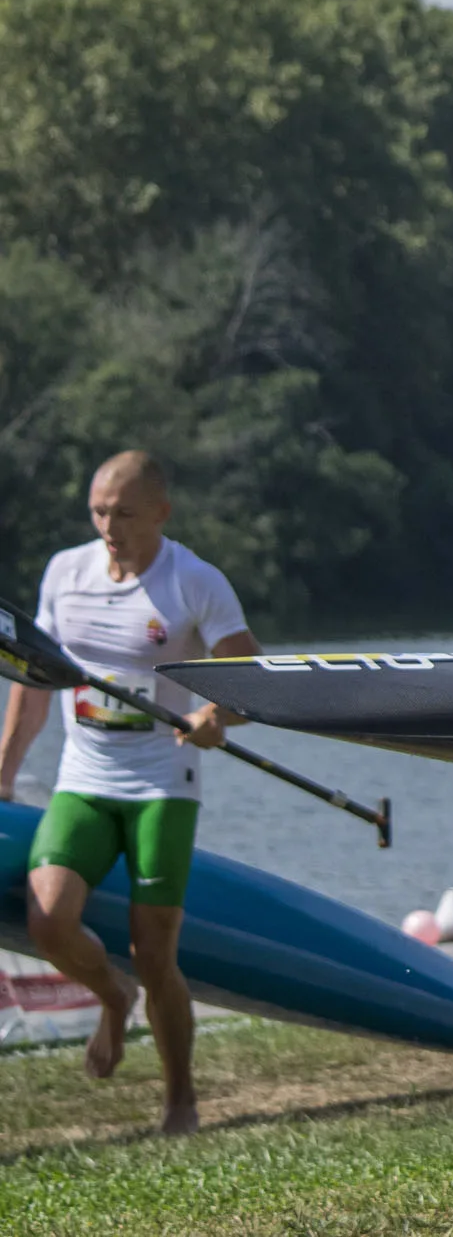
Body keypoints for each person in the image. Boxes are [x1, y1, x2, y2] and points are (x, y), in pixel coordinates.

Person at [0, 452, 259, 1135]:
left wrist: (214, 715)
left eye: (124, 513)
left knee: (155, 953)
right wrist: (3, 771)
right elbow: (34, 679)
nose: (108, 526)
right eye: (98, 511)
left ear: (161, 514)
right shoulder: (66, 572)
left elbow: (248, 680)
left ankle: (179, 1097)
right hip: (83, 780)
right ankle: (111, 999)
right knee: (49, 920)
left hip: (162, 785)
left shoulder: (194, 581)